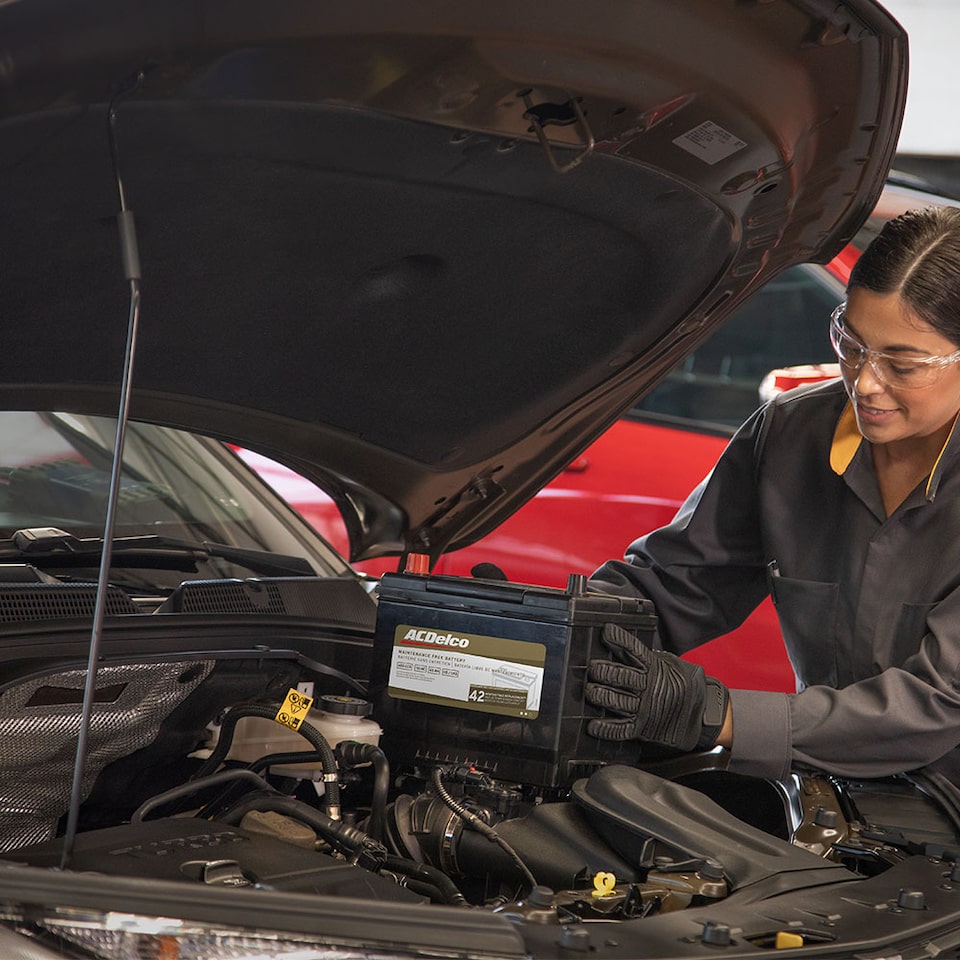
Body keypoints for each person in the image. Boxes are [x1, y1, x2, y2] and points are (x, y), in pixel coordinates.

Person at [585, 205, 960, 787]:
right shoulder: (789, 435)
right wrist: (553, 630)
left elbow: (937, 704)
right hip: (835, 803)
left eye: (902, 364)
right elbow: (674, 586)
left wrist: (717, 715)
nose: (863, 381)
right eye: (852, 344)